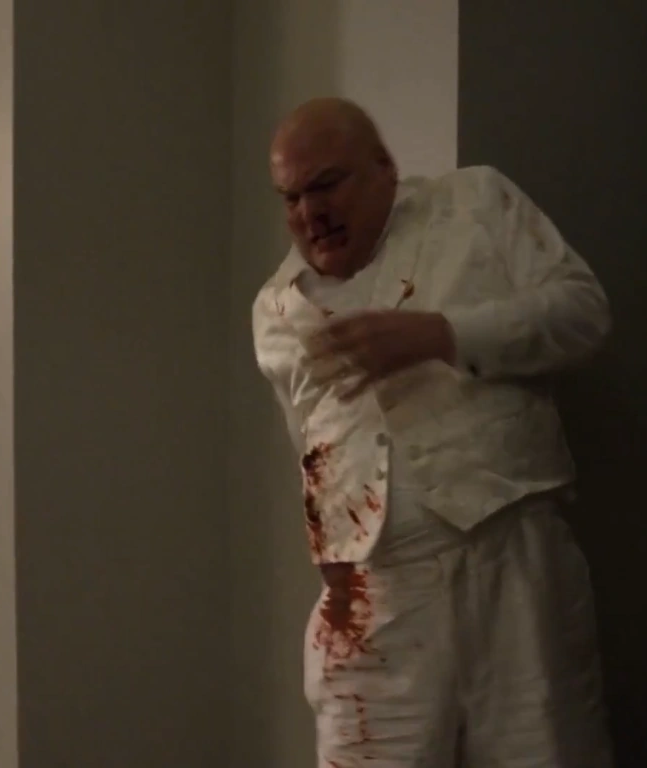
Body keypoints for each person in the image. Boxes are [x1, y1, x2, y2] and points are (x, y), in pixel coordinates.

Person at [252, 97, 615, 767]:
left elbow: (584, 315)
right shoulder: (275, 310)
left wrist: (444, 335)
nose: (309, 213)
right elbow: (308, 443)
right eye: (291, 197)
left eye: (327, 184)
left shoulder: (476, 204)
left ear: (384, 168)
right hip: (375, 599)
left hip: (513, 568)